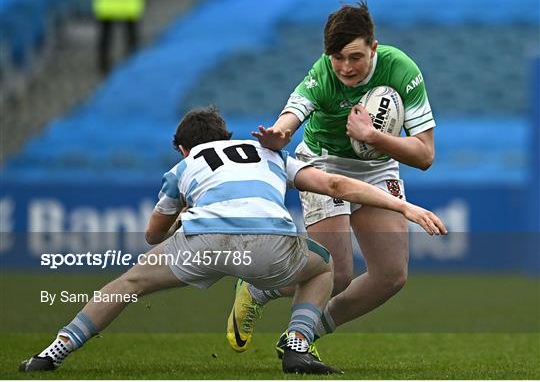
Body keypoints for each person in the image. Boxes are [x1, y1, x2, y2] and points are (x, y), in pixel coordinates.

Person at [20, 107, 445, 375]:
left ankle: (53, 352)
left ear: (182, 148)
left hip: (202, 240)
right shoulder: (269, 154)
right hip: (270, 244)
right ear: (226, 136)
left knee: (127, 284)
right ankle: (297, 345)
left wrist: (182, 222)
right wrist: (404, 208)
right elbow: (334, 183)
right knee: (324, 267)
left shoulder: (184, 167)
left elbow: (153, 234)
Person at [227, 1, 437, 358]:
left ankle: (307, 334)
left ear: (374, 46)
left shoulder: (402, 71)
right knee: (336, 272)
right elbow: (291, 117)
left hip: (377, 166)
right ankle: (257, 290)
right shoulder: (323, 74)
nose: (345, 67)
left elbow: (425, 155)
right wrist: (279, 135)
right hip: (324, 164)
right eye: (337, 57)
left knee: (390, 276)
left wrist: (373, 137)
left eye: (355, 57)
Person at [92, 0, 146, 75]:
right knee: (131, 37)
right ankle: (133, 62)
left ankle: (103, 64)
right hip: (129, 1)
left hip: (106, 1)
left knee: (106, 37)